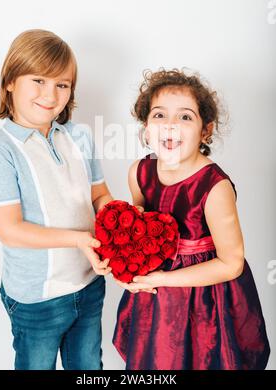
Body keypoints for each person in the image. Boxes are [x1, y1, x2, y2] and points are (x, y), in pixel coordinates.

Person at [113, 68, 270, 370]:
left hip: (206, 299)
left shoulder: (214, 186)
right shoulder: (139, 173)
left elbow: (231, 263)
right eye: (159, 116)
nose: (171, 125)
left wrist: (165, 280)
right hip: (157, 298)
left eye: (185, 117)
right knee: (157, 360)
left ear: (205, 130)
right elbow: (138, 235)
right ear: (146, 127)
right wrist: (127, 271)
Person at [0, 29, 112, 370]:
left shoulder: (79, 136)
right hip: (37, 300)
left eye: (62, 84)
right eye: (38, 80)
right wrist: (79, 239)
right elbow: (11, 231)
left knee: (88, 368)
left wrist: (125, 221)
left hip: (90, 283)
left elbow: (99, 196)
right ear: (10, 81)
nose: (50, 95)